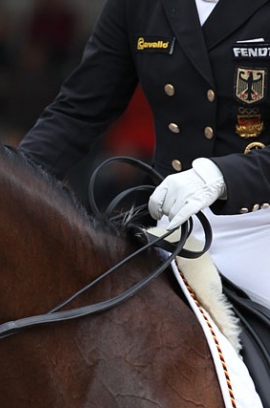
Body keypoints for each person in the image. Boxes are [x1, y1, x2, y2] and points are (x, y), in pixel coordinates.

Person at [19, 0, 270, 310]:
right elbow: (79, 112)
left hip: (259, 226)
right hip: (168, 224)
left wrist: (220, 177)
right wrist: (7, 181)